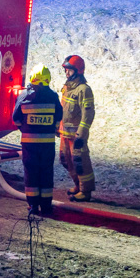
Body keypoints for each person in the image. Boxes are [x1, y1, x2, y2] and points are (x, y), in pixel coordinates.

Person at [13, 64, 63, 215]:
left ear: (32, 78)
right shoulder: (53, 96)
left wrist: (25, 130)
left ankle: (33, 206)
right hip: (47, 144)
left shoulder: (23, 96)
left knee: (31, 173)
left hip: (29, 145)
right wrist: (52, 129)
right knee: (46, 173)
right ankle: (46, 206)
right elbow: (58, 116)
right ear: (48, 79)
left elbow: (16, 119)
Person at [59, 55, 95, 202]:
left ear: (78, 71)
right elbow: (63, 109)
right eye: (66, 70)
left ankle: (85, 191)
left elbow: (88, 114)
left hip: (76, 136)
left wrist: (81, 134)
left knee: (80, 162)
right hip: (64, 134)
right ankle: (77, 185)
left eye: (70, 70)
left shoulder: (84, 90)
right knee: (65, 160)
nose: (67, 73)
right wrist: (57, 127)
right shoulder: (67, 88)